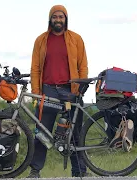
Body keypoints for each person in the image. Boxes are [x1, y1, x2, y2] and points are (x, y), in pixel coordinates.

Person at [28, 4, 89, 178]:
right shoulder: (41, 40)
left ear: (66, 19)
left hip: (71, 91)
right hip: (47, 91)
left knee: (75, 133)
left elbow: (82, 65)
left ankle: (79, 172)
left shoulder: (76, 39)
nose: (58, 20)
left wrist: (80, 87)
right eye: (55, 17)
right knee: (41, 132)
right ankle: (35, 170)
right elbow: (35, 68)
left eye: (61, 17)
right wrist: (36, 92)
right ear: (50, 19)